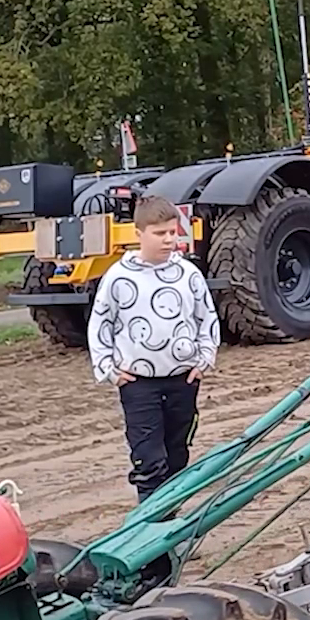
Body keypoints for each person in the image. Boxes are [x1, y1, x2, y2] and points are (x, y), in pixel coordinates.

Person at [88, 195, 220, 504]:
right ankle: (150, 537)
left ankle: (170, 529)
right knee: (149, 461)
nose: (168, 240)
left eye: (173, 232)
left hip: (182, 381)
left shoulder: (189, 275)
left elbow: (207, 318)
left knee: (177, 457)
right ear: (139, 234)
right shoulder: (119, 278)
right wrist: (109, 369)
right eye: (160, 234)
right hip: (138, 385)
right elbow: (100, 324)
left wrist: (204, 360)